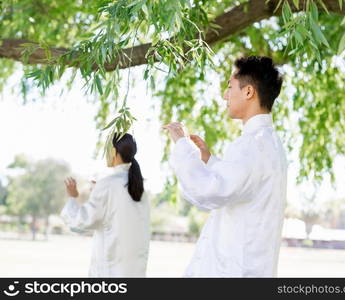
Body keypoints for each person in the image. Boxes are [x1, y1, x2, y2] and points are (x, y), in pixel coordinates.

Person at [163, 56, 287, 277]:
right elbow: (243, 183)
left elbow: (208, 192)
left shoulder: (251, 145)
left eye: (230, 87)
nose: (224, 96)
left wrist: (182, 144)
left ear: (248, 92)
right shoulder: (269, 142)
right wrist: (209, 160)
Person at [60, 133, 150, 277]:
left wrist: (73, 197)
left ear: (114, 152)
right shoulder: (141, 189)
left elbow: (80, 223)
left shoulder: (108, 184)